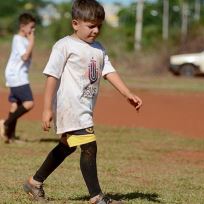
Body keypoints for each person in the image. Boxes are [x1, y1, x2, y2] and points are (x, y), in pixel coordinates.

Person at [23, 0, 142, 203]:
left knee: (67, 146)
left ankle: (34, 182)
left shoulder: (98, 48)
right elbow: (52, 76)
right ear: (75, 23)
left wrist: (127, 93)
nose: (95, 30)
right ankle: (96, 196)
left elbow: (109, 71)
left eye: (99, 26)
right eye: (91, 26)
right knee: (89, 146)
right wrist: (46, 109)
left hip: (84, 106)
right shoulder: (64, 46)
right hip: (68, 106)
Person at [0, 13, 36, 143]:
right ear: (22, 26)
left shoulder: (25, 40)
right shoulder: (18, 39)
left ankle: (9, 136)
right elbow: (25, 57)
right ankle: (5, 123)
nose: (33, 30)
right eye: (31, 27)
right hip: (17, 76)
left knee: (16, 105)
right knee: (29, 103)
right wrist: (32, 40)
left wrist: (30, 40)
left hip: (17, 75)